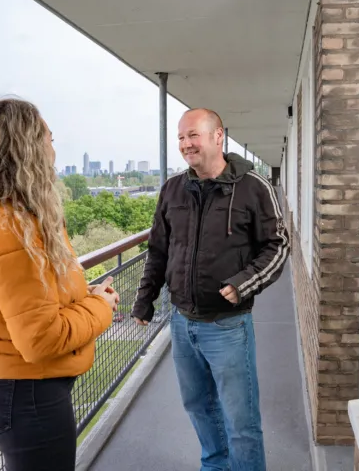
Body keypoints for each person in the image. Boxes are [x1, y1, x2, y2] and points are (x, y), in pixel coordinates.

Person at [0, 98, 118, 471]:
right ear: (28, 147)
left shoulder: (11, 219)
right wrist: (101, 304)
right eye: (49, 138)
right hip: (28, 398)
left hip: (20, 391)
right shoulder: (8, 229)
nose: (54, 147)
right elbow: (41, 338)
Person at [132, 108, 290, 471]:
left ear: (218, 136)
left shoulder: (253, 187)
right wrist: (144, 301)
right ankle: (215, 466)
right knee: (199, 408)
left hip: (228, 327)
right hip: (182, 324)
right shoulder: (173, 189)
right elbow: (158, 250)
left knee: (241, 424)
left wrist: (242, 283)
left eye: (193, 136)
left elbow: (278, 246)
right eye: (181, 138)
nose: (186, 144)